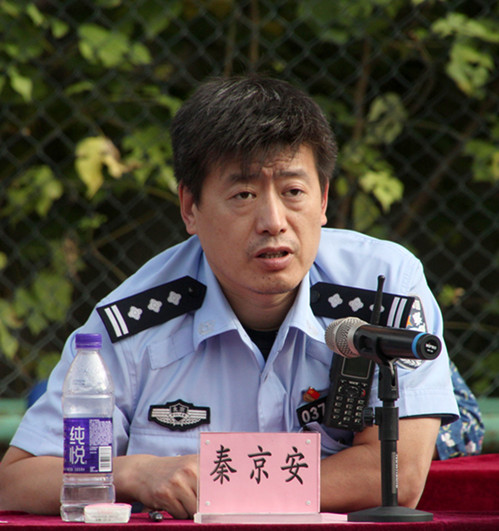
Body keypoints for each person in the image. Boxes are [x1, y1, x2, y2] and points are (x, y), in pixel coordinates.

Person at [0, 75, 459, 518]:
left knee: (450, 429)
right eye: (243, 194)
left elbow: (397, 476)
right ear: (190, 208)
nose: (273, 221)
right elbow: (16, 479)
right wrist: (133, 472)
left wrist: (219, 486)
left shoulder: (386, 289)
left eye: (293, 191)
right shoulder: (133, 320)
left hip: (410, 380)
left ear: (322, 200)